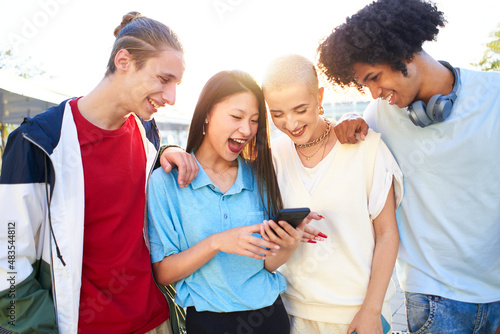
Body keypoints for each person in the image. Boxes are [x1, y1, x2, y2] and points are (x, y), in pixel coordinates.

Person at [0, 11, 197, 334]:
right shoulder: (36, 143)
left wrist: (166, 152)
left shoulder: (148, 134)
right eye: (164, 80)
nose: (172, 97)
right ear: (124, 61)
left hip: (158, 321)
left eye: (176, 84)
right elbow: (7, 263)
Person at [316, 0, 500, 332]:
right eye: (364, 85)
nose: (373, 92)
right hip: (433, 298)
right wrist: (346, 118)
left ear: (405, 53)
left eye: (374, 78)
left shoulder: (495, 96)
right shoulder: (378, 115)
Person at [148, 70, 322, 334]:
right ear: (207, 113)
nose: (247, 130)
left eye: (254, 120)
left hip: (270, 318)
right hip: (208, 322)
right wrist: (218, 242)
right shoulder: (166, 182)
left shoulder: (261, 176)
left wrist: (289, 243)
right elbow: (163, 273)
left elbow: (267, 264)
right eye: (236, 117)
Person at [259, 54, 402, 334]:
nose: (290, 123)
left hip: (359, 315)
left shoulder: (366, 147)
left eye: (300, 109)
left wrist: (371, 311)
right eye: (277, 114)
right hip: (292, 314)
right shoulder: (273, 157)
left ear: (319, 96)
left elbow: (387, 234)